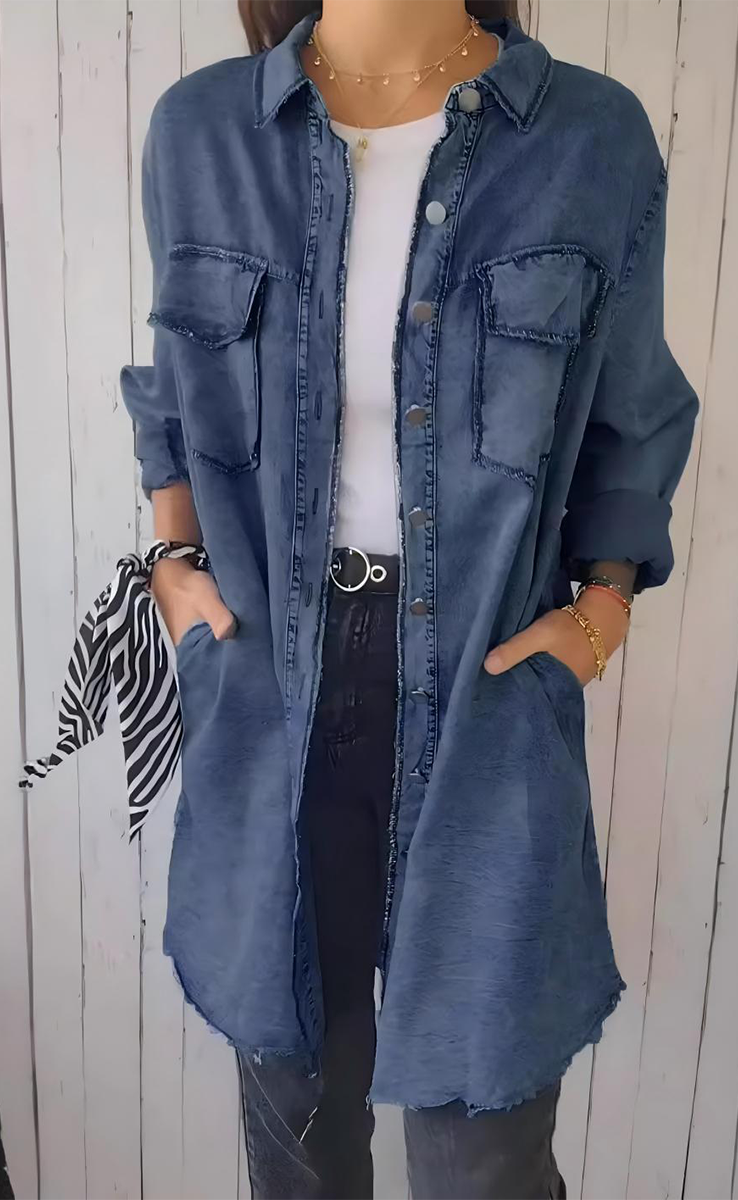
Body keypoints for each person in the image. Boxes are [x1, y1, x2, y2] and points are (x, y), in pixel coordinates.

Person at [21, 1, 699, 1196]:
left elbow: (631, 412)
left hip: (486, 693)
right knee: (297, 1125)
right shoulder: (204, 131)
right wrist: (173, 563)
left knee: (479, 1149)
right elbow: (174, 387)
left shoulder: (587, 138)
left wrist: (599, 611)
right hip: (269, 681)